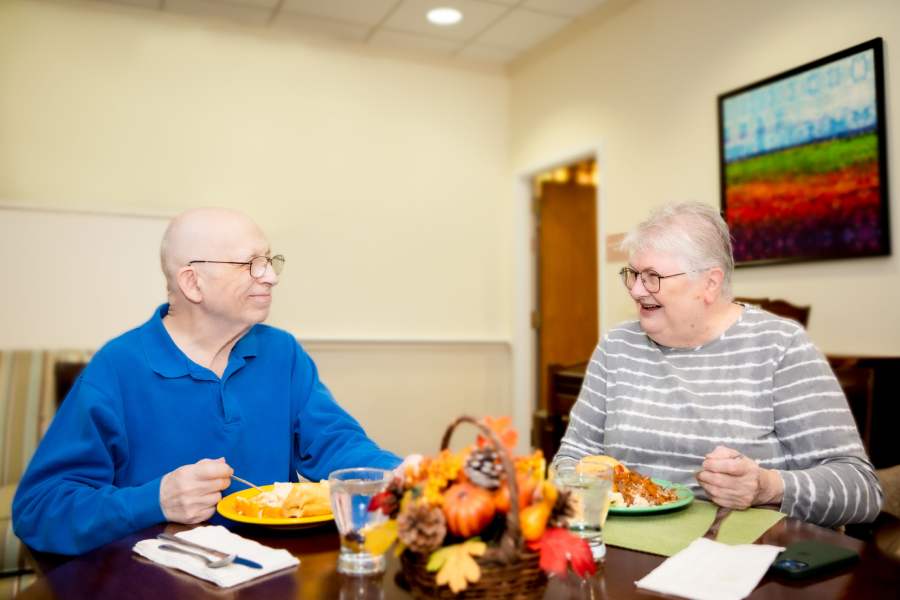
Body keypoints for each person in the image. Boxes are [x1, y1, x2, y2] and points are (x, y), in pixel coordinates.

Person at [13, 208, 408, 555]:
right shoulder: (116, 368)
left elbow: (339, 443)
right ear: (193, 283)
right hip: (156, 586)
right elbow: (39, 509)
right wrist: (156, 499)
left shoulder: (282, 353)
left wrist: (399, 473)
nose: (270, 276)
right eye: (251, 263)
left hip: (275, 576)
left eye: (270, 260)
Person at [555, 201, 881, 527]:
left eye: (652, 276)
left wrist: (767, 487)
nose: (636, 290)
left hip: (741, 559)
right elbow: (571, 457)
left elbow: (862, 490)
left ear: (710, 283)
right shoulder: (617, 347)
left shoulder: (779, 346)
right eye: (633, 274)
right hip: (621, 553)